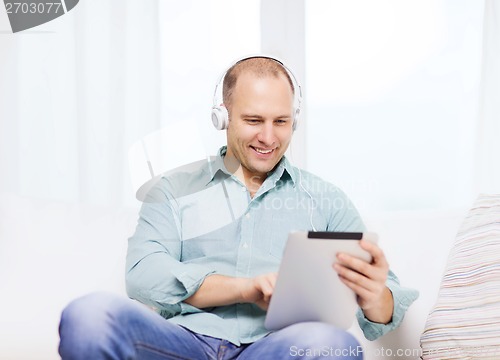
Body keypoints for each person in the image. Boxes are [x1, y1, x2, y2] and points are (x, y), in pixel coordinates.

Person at [58, 56, 418, 360]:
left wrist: (375, 296)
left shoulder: (326, 199)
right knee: (89, 315)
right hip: (183, 344)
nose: (269, 137)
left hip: (274, 348)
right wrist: (244, 289)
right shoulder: (173, 189)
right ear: (223, 116)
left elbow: (385, 308)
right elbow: (143, 274)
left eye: (281, 121)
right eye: (253, 121)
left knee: (333, 345)